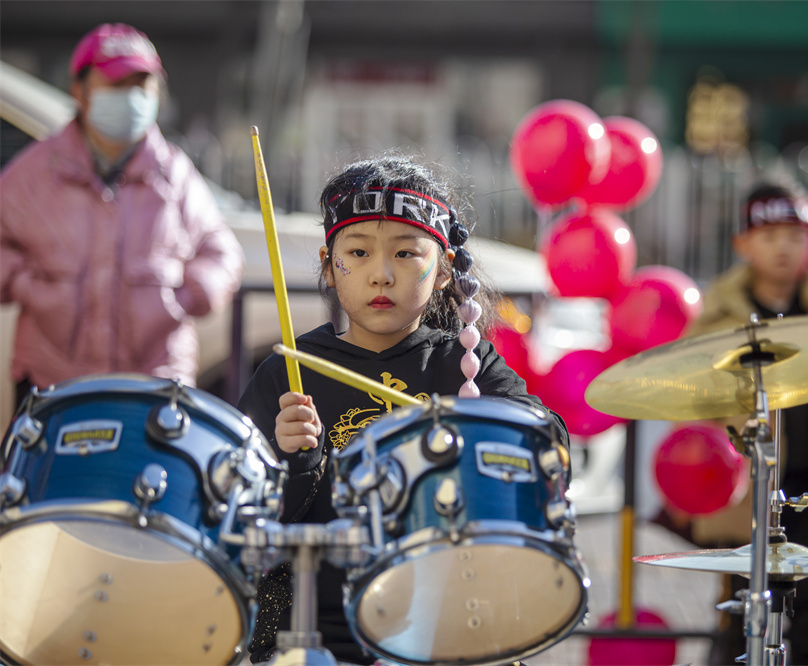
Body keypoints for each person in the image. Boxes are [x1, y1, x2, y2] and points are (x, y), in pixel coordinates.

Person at [237, 155, 569, 664]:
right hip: (315, 629)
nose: (381, 275)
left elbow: (548, 445)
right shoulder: (288, 371)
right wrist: (294, 460)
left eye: (407, 254)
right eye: (358, 252)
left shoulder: (465, 360)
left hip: (447, 621)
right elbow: (244, 516)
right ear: (329, 266)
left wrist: (487, 434)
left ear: (442, 273)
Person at [659, 182, 808, 665]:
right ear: (742, 243)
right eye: (768, 236)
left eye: (794, 235)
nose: (782, 247)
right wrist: (694, 479)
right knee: (741, 612)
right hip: (745, 492)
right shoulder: (718, 313)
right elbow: (691, 399)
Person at [0, 23, 244, 404]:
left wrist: (186, 295)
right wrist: (22, 282)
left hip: (156, 382)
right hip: (50, 383)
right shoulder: (34, 173)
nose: (130, 97)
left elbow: (221, 251)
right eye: (115, 84)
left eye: (140, 85)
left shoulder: (175, 174)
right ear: (79, 90)